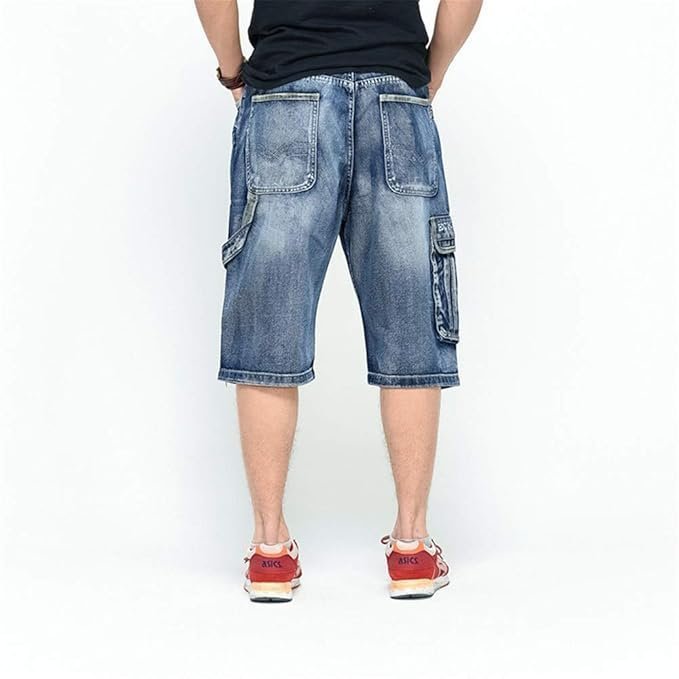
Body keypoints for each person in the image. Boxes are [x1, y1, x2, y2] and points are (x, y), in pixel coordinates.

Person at [195, 0, 483, 601]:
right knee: (411, 325)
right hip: (395, 99)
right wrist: (429, 73)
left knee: (268, 325)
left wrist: (233, 71)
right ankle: (412, 547)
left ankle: (269, 552)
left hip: (285, 92)